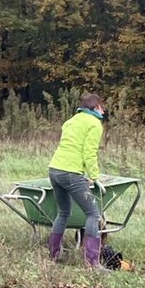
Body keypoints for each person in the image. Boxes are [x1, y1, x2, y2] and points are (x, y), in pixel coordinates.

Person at [46, 92, 107, 268]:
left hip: (55, 170)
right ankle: (92, 262)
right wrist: (94, 177)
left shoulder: (71, 121)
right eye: (101, 108)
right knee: (93, 214)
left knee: (64, 212)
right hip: (71, 173)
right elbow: (89, 153)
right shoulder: (94, 124)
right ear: (95, 108)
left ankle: (54, 255)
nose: (103, 112)